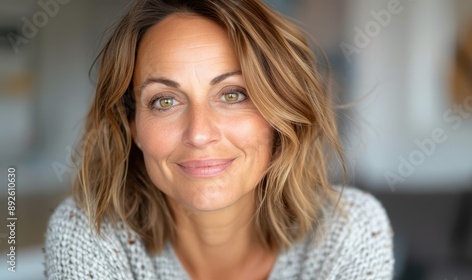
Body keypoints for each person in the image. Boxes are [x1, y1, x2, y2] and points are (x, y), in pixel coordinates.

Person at [44, 0, 394, 279]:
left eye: (233, 95)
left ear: (278, 114)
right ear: (132, 124)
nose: (198, 133)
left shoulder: (351, 230)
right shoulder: (87, 233)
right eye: (165, 101)